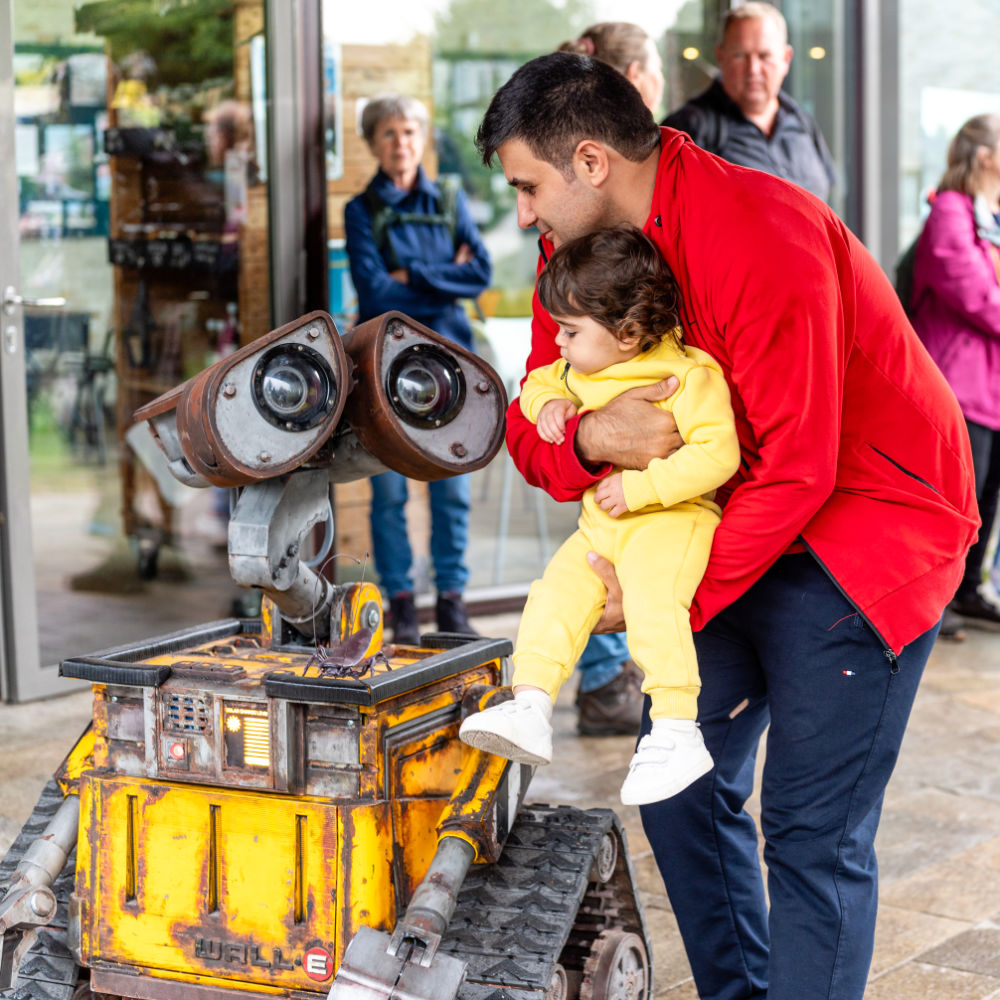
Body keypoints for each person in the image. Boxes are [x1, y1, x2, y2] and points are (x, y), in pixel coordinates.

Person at [476, 52, 978, 1000]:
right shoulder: (577, 259)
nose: (524, 216)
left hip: (866, 525)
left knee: (809, 830)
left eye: (527, 187)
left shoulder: (765, 231)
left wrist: (655, 595)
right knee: (679, 785)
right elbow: (531, 431)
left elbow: (801, 468)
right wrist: (590, 433)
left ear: (589, 161)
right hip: (730, 516)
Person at [460, 225, 739, 805]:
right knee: (553, 592)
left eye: (569, 331)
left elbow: (719, 455)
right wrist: (553, 405)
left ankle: (675, 728)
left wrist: (644, 490)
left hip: (671, 520)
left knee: (653, 606)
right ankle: (532, 702)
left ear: (629, 332)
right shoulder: (578, 370)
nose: (557, 343)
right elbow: (534, 386)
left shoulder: (688, 376)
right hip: (602, 529)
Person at [344, 94, 492, 643]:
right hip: (383, 367)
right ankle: (401, 606)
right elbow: (374, 291)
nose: (400, 143)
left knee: (451, 489)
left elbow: (479, 272)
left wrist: (411, 277)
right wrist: (437, 276)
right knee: (389, 493)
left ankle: (452, 603)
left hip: (449, 364)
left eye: (408, 131)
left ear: (422, 137)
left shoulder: (449, 198)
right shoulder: (360, 210)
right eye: (387, 133)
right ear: (372, 143)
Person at [555, 21, 665, 736]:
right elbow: (539, 421)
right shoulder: (582, 221)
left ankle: (618, 675)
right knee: (602, 536)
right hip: (621, 410)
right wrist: (589, 429)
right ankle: (602, 678)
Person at [910, 113, 1000, 627]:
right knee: (955, 502)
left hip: (991, 387)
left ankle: (967, 591)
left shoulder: (993, 212)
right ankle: (934, 602)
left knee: (986, 498)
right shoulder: (950, 210)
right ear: (985, 155)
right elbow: (975, 295)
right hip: (959, 386)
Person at [663, 2, 836, 202]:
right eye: (740, 56)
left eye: (764, 56)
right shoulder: (687, 131)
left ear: (786, 59)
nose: (753, 69)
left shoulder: (802, 122)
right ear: (721, 57)